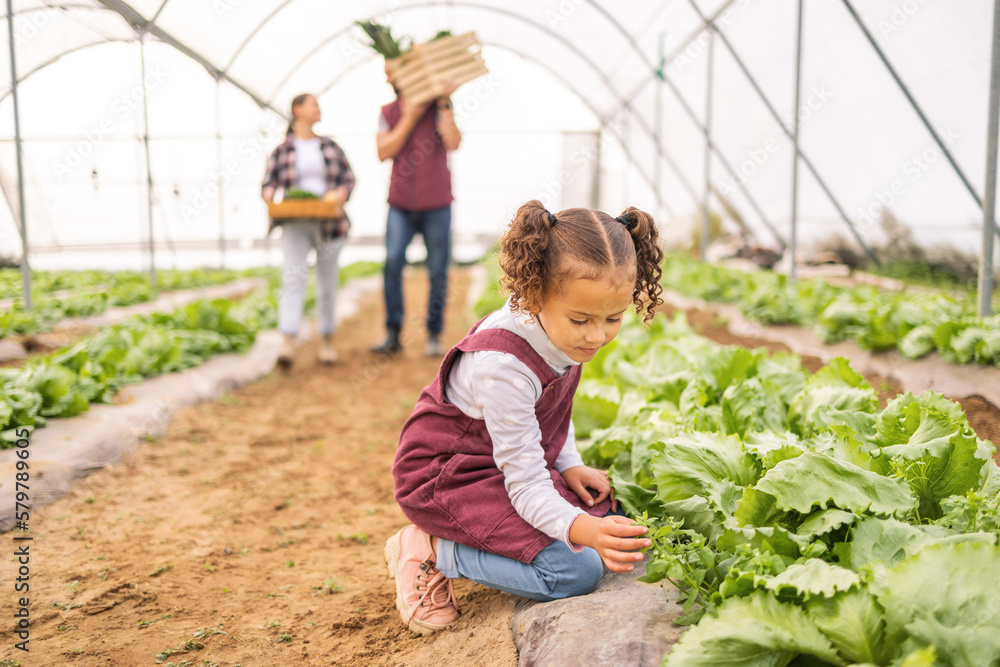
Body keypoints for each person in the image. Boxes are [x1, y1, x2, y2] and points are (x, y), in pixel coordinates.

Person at [384, 200, 665, 634]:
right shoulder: (504, 366)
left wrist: (569, 464)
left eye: (613, 318)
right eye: (582, 319)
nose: (597, 335)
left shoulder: (563, 330)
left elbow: (555, 410)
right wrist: (580, 530)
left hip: (497, 463)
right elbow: (527, 483)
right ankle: (431, 548)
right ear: (535, 294)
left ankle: (477, 542)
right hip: (445, 478)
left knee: (608, 515)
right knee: (576, 571)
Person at [369, 61, 461, 357]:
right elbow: (384, 151)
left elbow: (454, 142)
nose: (387, 76)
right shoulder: (389, 112)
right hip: (400, 205)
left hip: (437, 204)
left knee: (437, 270)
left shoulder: (440, 107)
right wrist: (409, 118)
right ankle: (393, 333)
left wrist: (445, 102)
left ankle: (434, 333)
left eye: (391, 70)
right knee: (393, 264)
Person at [262, 93, 355, 368]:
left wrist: (340, 193)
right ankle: (288, 342)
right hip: (294, 221)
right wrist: (269, 196)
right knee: (292, 278)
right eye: (313, 104)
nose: (318, 108)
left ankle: (326, 340)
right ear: (298, 110)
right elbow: (268, 183)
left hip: (329, 222)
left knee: (327, 282)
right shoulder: (282, 150)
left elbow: (348, 179)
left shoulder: (329, 146)